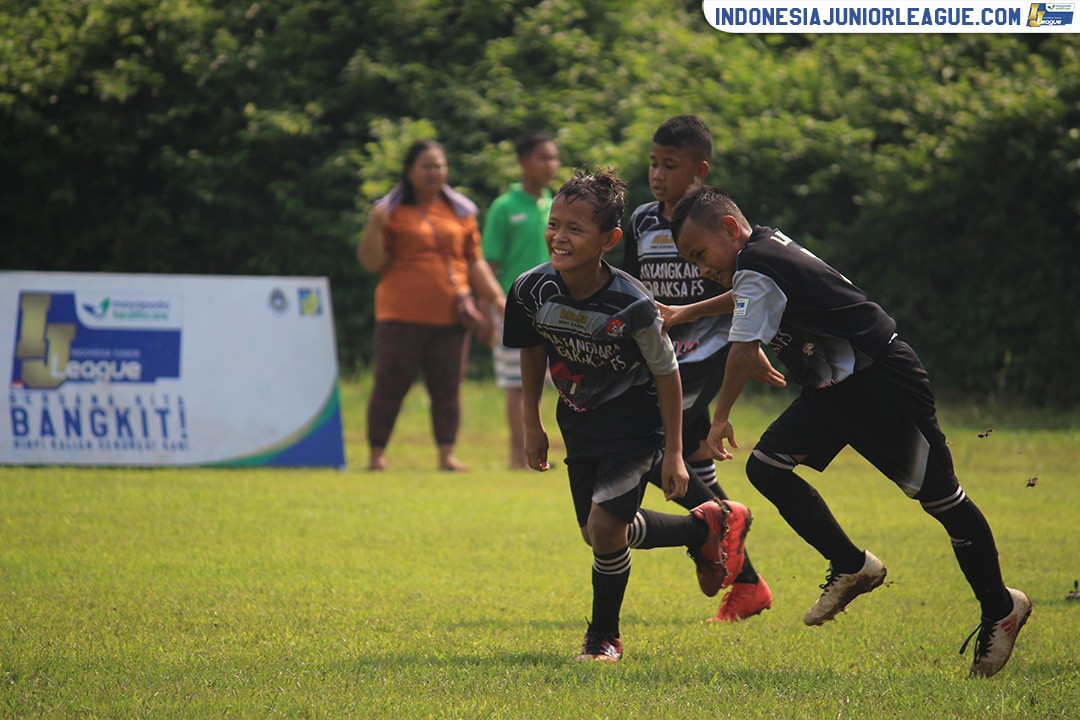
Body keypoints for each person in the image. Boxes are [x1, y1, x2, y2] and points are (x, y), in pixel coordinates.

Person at [666, 185, 1031, 678]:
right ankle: (852, 564)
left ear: (730, 228)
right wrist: (686, 312)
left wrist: (721, 416)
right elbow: (751, 301)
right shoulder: (763, 252)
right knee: (767, 467)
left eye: (699, 254)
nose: (700, 269)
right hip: (834, 390)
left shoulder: (757, 263)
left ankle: (1001, 607)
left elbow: (743, 345)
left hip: (880, 381)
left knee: (943, 501)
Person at [503, 168, 752, 662]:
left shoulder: (632, 302)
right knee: (596, 534)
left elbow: (668, 373)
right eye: (554, 224)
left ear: (609, 240)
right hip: (579, 420)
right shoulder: (531, 290)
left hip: (638, 424)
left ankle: (603, 639)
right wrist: (533, 423)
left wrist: (675, 453)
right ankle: (704, 527)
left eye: (575, 229)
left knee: (604, 529)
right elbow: (531, 351)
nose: (559, 237)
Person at [623, 115, 782, 622]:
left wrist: (749, 344)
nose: (657, 174)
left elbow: (743, 287)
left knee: (649, 444)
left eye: (670, 165)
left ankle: (715, 535)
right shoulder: (642, 220)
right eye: (653, 163)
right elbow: (629, 286)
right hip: (661, 355)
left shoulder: (716, 223)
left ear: (700, 170)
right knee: (691, 454)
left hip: (708, 352)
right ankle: (745, 578)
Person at [358, 139, 504, 472]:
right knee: (389, 388)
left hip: (451, 318)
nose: (434, 172)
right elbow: (372, 261)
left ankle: (446, 455)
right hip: (399, 316)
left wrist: (497, 298)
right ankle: (377, 455)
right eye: (426, 166)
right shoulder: (391, 211)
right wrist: (374, 227)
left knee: (448, 390)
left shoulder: (460, 212)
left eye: (439, 165)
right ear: (409, 172)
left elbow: (474, 261)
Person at [482, 132, 561, 469]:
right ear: (523, 163)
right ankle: (519, 457)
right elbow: (488, 263)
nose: (551, 164)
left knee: (559, 380)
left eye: (554, 158)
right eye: (543, 158)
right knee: (518, 385)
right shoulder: (504, 206)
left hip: (554, 308)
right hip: (512, 308)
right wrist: (490, 309)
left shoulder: (556, 205)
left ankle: (550, 452)